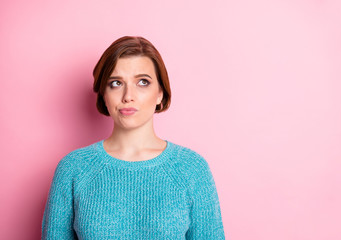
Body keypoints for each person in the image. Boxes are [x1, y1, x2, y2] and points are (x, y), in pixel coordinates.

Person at [41, 36, 225, 239]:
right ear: (104, 94)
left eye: (143, 82)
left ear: (160, 94)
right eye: (116, 83)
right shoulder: (74, 169)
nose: (128, 95)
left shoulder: (191, 168)